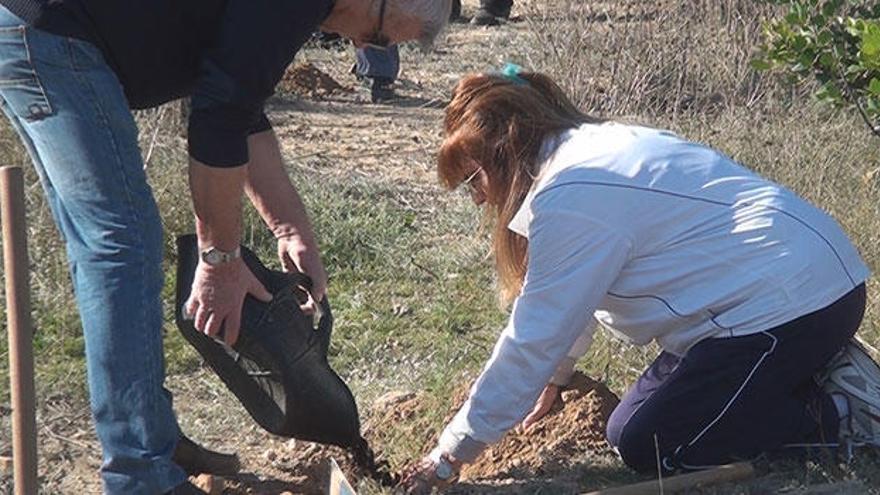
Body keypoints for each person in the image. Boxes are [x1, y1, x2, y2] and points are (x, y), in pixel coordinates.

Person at [0, 0, 451, 493]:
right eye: (383, 37)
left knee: (112, 243)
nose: (366, 47)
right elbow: (217, 120)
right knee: (121, 242)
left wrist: (289, 228)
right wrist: (219, 262)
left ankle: (150, 437)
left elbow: (236, 102)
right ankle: (141, 475)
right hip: (53, 30)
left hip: (42, 29)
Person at [399, 67, 880, 493]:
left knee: (658, 445)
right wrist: (555, 376)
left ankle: (843, 413)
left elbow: (534, 337)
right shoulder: (593, 149)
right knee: (627, 427)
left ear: (504, 153)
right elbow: (573, 297)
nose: (480, 200)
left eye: (473, 181)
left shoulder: (572, 197)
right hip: (785, 288)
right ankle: (811, 368)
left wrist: (450, 456)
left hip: (788, 305)